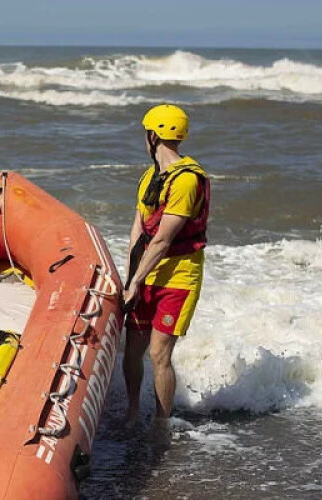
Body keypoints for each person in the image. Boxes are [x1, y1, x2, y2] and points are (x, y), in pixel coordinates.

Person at [122, 104, 209, 425]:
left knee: (159, 354)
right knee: (132, 349)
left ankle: (160, 423)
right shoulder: (149, 176)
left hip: (179, 277)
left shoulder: (187, 181)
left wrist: (134, 283)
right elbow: (139, 227)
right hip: (147, 273)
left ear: (153, 135)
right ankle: (132, 412)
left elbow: (162, 240)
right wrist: (132, 275)